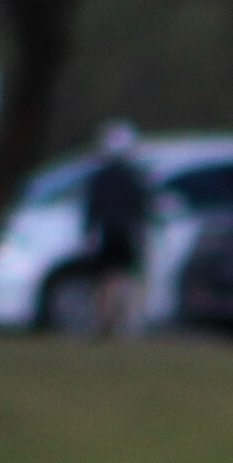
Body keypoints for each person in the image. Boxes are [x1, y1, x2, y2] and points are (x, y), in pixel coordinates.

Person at [75, 123, 151, 340]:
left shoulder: (101, 177)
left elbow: (92, 209)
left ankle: (105, 322)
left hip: (107, 234)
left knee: (105, 278)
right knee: (125, 279)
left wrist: (88, 234)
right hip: (126, 234)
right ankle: (123, 323)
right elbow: (141, 209)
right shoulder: (134, 176)